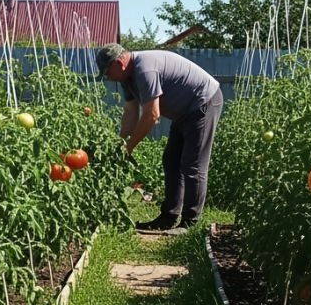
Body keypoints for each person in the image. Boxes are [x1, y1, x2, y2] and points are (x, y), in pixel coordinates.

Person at [96, 42, 223, 231]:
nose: (107, 76)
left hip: (202, 103)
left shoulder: (144, 70)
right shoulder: (127, 78)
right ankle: (168, 217)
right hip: (183, 113)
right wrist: (120, 142)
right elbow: (131, 113)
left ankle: (190, 223)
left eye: (107, 71)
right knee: (171, 159)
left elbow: (151, 115)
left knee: (193, 164)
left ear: (119, 63)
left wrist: (129, 147)